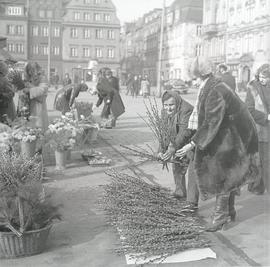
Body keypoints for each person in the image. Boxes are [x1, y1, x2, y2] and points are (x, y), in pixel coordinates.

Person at [176, 57, 259, 231]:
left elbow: (211, 121)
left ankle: (220, 217)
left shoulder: (215, 90)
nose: (194, 80)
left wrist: (192, 144)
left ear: (200, 74)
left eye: (195, 76)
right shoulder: (211, 84)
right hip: (232, 132)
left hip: (237, 135)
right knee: (229, 172)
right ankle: (229, 211)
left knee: (223, 173)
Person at [158, 90, 199, 208]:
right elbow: (164, 132)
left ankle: (192, 203)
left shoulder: (186, 109)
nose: (168, 108)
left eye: (171, 105)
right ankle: (180, 193)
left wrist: (172, 147)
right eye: (165, 105)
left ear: (177, 102)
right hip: (178, 143)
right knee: (177, 166)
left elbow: (184, 132)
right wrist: (161, 150)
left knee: (193, 172)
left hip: (192, 143)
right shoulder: (164, 112)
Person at [245, 64, 270, 194]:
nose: (261, 80)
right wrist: (266, 117)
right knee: (259, 160)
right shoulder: (253, 88)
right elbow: (249, 109)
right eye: (260, 77)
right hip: (259, 129)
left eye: (265, 77)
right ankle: (257, 186)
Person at [20, 62, 49, 133]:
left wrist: (29, 90)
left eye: (32, 69)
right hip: (28, 107)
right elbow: (22, 91)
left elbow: (42, 92)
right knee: (28, 129)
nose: (30, 72)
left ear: (37, 69)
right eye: (29, 70)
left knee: (38, 127)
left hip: (38, 107)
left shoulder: (42, 78)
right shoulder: (27, 79)